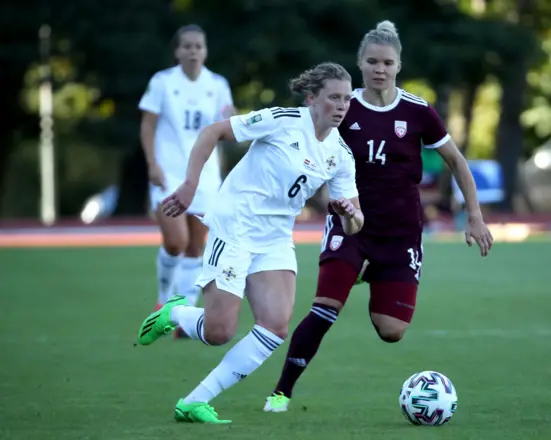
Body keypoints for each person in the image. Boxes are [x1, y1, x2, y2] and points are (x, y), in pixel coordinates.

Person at [264, 20, 494, 412]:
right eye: (372, 61)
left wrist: (474, 215)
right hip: (350, 225)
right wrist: (320, 198)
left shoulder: (418, 111)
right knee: (325, 308)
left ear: (398, 65)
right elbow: (317, 152)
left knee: (392, 331)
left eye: (387, 62)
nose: (379, 69)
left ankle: (367, 273)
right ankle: (281, 392)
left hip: (401, 233)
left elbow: (455, 160)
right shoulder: (344, 106)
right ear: (360, 64)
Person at [136, 62, 364, 424]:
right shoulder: (283, 120)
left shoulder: (340, 154)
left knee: (275, 327)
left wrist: (349, 212)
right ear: (311, 98)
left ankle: (194, 401)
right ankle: (174, 312)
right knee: (218, 332)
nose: (341, 106)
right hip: (235, 226)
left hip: (274, 238)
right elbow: (212, 131)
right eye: (333, 97)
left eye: (347, 99)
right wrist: (191, 184)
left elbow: (356, 224)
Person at [138, 24, 235, 328]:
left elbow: (229, 120)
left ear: (205, 51)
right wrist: (152, 163)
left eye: (199, 46)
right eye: (188, 46)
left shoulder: (217, 84)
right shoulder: (163, 82)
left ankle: (182, 314)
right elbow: (147, 125)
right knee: (176, 242)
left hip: (205, 177)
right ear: (177, 51)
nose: (194, 51)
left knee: (196, 246)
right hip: (169, 175)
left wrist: (235, 118)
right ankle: (164, 297)